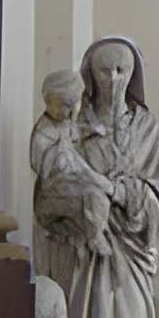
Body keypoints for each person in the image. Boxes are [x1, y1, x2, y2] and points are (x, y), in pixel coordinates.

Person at [64, 36, 159, 318]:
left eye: (122, 70)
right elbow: (55, 183)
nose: (114, 78)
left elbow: (158, 192)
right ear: (90, 74)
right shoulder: (73, 125)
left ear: (133, 73)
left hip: (131, 255)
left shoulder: (145, 127)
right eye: (104, 70)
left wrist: (120, 190)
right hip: (86, 254)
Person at [31, 69, 121, 267]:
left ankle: (93, 238)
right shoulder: (43, 134)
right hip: (51, 196)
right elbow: (55, 173)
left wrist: (95, 176)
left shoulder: (66, 125)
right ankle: (94, 237)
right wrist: (92, 179)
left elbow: (77, 158)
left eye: (70, 105)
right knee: (95, 196)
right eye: (61, 106)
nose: (68, 111)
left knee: (101, 194)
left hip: (70, 185)